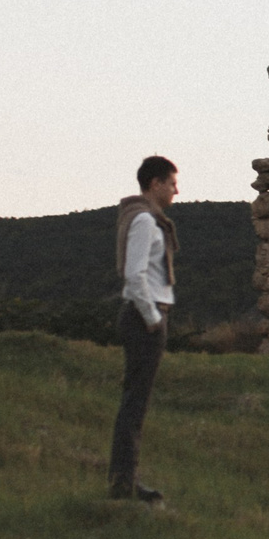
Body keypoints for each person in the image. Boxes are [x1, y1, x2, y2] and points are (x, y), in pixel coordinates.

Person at [109, 155, 178, 502]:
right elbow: (134, 276)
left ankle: (125, 480)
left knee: (136, 403)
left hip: (145, 316)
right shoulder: (145, 223)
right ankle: (124, 484)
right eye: (171, 183)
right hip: (144, 318)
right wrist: (153, 318)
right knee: (135, 405)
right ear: (154, 184)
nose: (176, 191)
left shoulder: (147, 221)